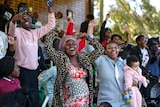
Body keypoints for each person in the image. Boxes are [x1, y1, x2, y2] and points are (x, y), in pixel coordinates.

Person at [44, 20, 104, 107]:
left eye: (73, 44)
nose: (71, 46)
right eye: (67, 44)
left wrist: (88, 37)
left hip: (85, 101)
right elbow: (48, 48)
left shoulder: (84, 58)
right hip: (69, 102)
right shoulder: (61, 59)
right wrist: (51, 35)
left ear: (77, 46)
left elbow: (100, 50)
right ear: (63, 48)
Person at [8, 0, 55, 97]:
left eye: (28, 18)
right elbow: (11, 32)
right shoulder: (18, 31)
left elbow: (51, 25)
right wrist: (13, 21)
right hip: (22, 71)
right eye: (22, 18)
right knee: (24, 97)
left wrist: (50, 8)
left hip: (35, 72)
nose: (26, 20)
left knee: (34, 97)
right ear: (19, 21)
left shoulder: (35, 32)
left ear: (31, 21)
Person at [94, 41, 129, 107]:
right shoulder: (100, 60)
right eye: (110, 48)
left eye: (116, 47)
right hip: (106, 101)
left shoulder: (124, 63)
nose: (113, 50)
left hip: (124, 101)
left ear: (119, 50)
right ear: (105, 51)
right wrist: (89, 37)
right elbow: (91, 48)